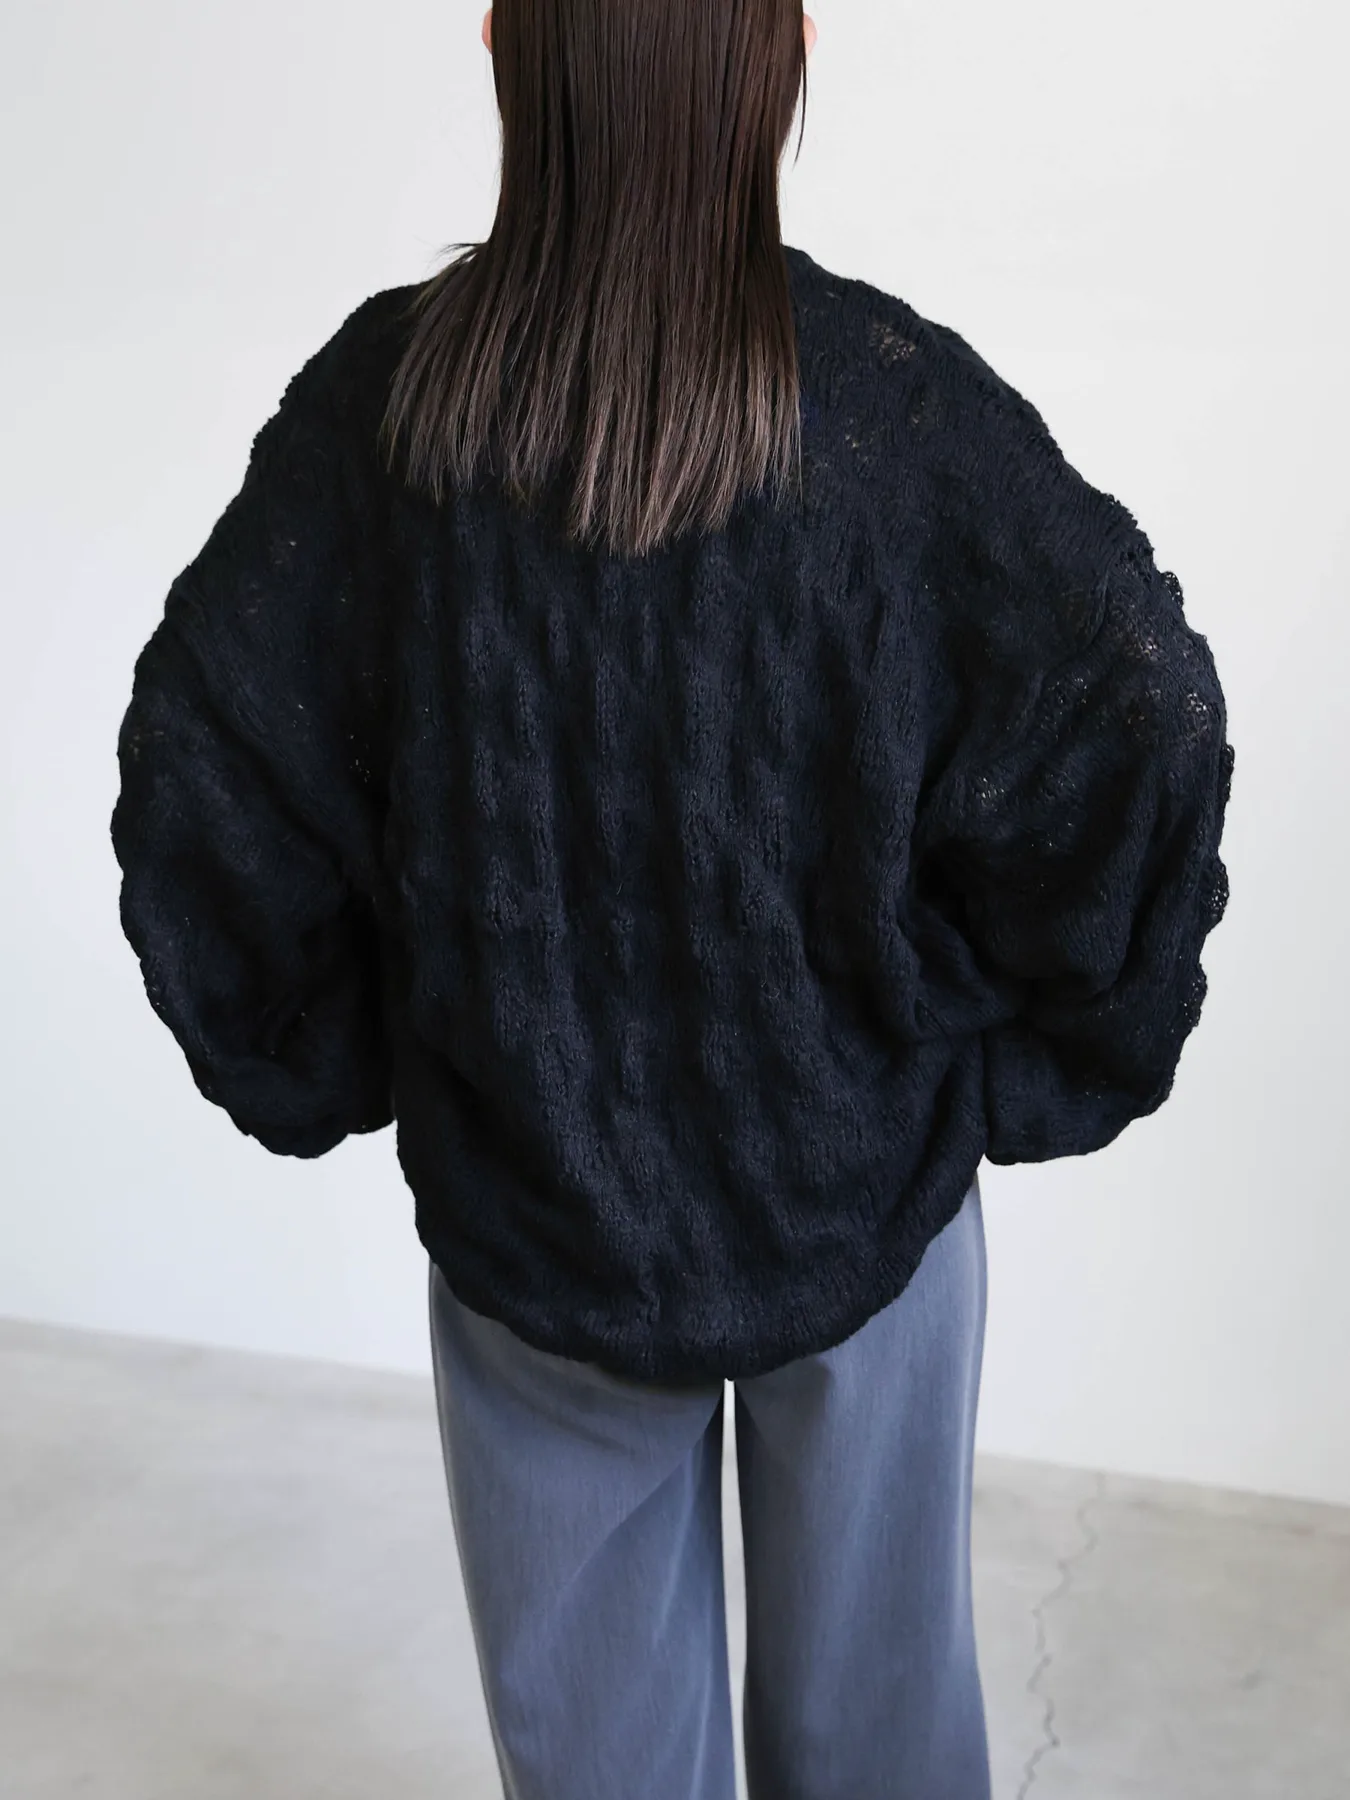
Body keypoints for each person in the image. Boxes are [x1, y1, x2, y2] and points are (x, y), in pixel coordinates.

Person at [108, 2, 1233, 1795]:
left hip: (535, 1206)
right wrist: (1008, 1043)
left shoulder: (386, 420)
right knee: (881, 1743)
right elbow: (1133, 710)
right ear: (772, 65)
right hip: (858, 1196)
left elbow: (216, 773)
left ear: (513, 55)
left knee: (600, 1768)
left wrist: (359, 1048)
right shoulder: (887, 412)